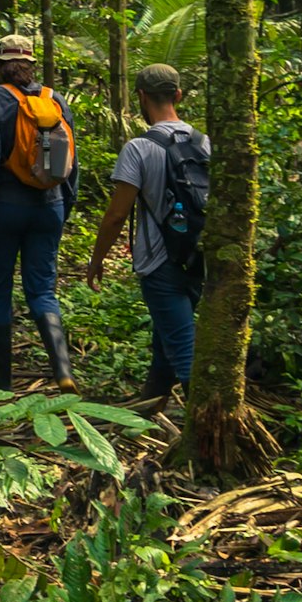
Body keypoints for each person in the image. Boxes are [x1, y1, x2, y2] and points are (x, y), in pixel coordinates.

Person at [83, 63, 210, 403]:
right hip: (198, 256)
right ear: (178, 95)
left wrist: (96, 260)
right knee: (166, 333)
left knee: (183, 347)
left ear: (140, 97)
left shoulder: (138, 148)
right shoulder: (205, 142)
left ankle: (204, 434)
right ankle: (150, 404)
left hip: (159, 262)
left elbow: (116, 215)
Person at [0, 35, 75, 390]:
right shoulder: (54, 99)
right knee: (43, 290)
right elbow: (74, 162)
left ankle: (1, 383)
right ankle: (63, 372)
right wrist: (65, 207)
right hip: (50, 206)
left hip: (5, 209)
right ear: (31, 64)